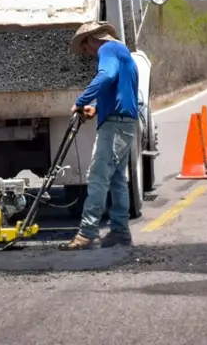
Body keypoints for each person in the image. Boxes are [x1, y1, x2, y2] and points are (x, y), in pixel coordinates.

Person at [59, 21, 139, 250]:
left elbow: (106, 76)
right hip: (123, 122)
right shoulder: (122, 51)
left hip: (115, 125)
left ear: (93, 40)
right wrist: (96, 108)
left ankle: (86, 234)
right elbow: (119, 90)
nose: (88, 54)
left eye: (85, 48)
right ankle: (120, 232)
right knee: (116, 180)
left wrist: (81, 101)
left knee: (98, 177)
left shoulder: (108, 49)